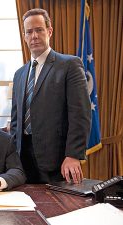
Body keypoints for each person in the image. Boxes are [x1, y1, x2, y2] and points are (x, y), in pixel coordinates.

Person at [10, 8, 91, 184]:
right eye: (29, 32)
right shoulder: (19, 74)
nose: (34, 36)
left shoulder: (69, 65)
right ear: (24, 37)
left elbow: (81, 114)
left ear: (49, 31)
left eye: (39, 30)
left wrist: (73, 155)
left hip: (58, 161)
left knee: (59, 209)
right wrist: (12, 158)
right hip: (23, 162)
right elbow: (16, 121)